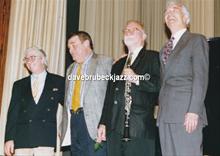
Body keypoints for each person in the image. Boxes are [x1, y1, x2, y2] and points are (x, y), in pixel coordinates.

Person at [97, 20, 160, 156]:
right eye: (126, 30)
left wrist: (137, 78)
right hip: (114, 129)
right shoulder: (118, 64)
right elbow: (109, 96)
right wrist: (103, 123)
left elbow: (160, 86)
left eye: (133, 29)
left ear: (144, 36)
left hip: (139, 129)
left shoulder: (153, 57)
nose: (128, 32)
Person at [157, 1, 209, 156]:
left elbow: (201, 77)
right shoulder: (164, 50)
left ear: (186, 19)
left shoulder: (196, 40)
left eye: (175, 10)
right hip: (165, 115)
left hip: (186, 114)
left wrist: (194, 111)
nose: (169, 14)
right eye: (167, 12)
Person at [4, 47, 65, 156]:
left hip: (45, 139)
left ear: (43, 60)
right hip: (22, 138)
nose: (29, 61)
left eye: (32, 58)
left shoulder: (58, 81)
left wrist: (63, 129)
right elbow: (13, 114)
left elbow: (69, 107)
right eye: (26, 59)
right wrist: (9, 139)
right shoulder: (19, 85)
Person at [60, 31, 112, 156]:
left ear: (86, 43)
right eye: (69, 48)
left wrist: (105, 123)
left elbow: (113, 95)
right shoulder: (70, 69)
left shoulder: (105, 62)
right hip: (74, 122)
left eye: (74, 45)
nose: (71, 50)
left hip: (95, 123)